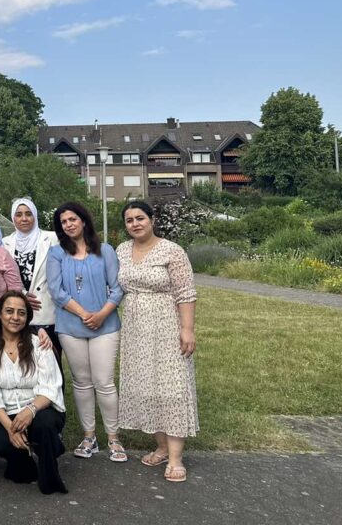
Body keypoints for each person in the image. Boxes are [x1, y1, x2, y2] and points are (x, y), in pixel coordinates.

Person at [117, 201, 198, 483]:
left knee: (172, 387)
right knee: (147, 387)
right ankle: (161, 447)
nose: (135, 224)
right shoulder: (121, 251)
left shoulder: (172, 251)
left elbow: (186, 293)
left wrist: (187, 329)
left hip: (166, 326)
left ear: (152, 220)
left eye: (140, 218)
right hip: (136, 328)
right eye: (129, 220)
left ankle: (176, 458)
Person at [45, 201, 126, 463]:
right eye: (63, 222)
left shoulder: (106, 251)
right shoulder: (57, 254)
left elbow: (117, 288)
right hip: (71, 327)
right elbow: (56, 291)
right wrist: (83, 314)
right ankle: (89, 436)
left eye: (72, 219)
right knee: (81, 382)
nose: (69, 225)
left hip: (105, 325)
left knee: (104, 382)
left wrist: (101, 314)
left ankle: (113, 437)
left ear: (83, 220)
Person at [0, 291, 68, 494]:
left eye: (21, 313)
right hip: (6, 412)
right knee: (13, 459)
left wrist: (30, 410)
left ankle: (50, 477)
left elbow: (50, 386)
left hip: (39, 408)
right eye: (9, 311)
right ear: (0, 314)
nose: (15, 317)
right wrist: (11, 428)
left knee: (44, 426)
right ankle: (28, 459)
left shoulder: (39, 343)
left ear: (28, 317)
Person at [1, 197, 62, 365]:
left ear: (35, 215)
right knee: (23, 365)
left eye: (28, 214)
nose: (24, 218)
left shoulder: (52, 239)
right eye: (19, 214)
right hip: (18, 313)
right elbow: (4, 277)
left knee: (51, 364)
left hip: (46, 311)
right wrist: (21, 295)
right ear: (13, 218)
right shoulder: (5, 243)